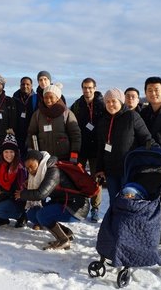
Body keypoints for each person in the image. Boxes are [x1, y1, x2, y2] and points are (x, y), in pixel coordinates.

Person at [15, 150, 90, 250]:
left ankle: (63, 240)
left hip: (76, 206)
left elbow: (41, 194)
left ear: (39, 162)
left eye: (31, 167)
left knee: (42, 215)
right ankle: (67, 233)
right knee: (33, 214)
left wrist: (22, 194)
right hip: (63, 202)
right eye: (27, 168)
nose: (30, 171)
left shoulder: (53, 171)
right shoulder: (42, 171)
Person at [95, 88, 155, 206]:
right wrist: (99, 169)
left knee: (128, 202)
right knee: (114, 201)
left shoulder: (132, 116)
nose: (110, 104)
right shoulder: (103, 121)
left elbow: (146, 139)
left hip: (128, 170)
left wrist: (157, 153)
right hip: (110, 171)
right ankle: (114, 224)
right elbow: (101, 147)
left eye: (114, 101)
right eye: (107, 102)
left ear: (121, 101)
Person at [70, 77, 105, 223]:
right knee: (78, 177)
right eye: (85, 87)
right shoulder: (77, 105)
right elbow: (70, 122)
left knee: (97, 179)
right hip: (81, 147)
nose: (87, 90)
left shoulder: (102, 104)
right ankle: (79, 204)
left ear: (95, 88)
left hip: (97, 148)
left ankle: (95, 207)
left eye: (90, 87)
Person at [139, 76, 161, 244]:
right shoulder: (144, 113)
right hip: (148, 163)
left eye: (156, 90)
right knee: (151, 198)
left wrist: (155, 140)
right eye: (149, 90)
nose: (153, 93)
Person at [26, 83, 81, 162]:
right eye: (46, 97)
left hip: (63, 158)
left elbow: (76, 135)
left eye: (51, 97)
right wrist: (32, 151)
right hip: (43, 158)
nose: (48, 100)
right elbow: (31, 134)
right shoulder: (37, 114)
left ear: (58, 98)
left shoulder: (67, 113)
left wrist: (74, 155)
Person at [0, 133, 26, 227]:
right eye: (6, 152)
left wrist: (5, 194)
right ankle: (3, 219)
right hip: (4, 197)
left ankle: (21, 216)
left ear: (16, 153)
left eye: (11, 152)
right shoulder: (2, 165)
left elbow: (20, 191)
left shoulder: (20, 168)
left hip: (17, 201)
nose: (8, 155)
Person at [12, 76, 38, 158]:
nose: (25, 86)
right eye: (23, 84)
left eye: (27, 84)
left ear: (31, 85)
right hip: (17, 134)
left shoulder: (36, 98)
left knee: (31, 158)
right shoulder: (14, 98)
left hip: (32, 134)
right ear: (20, 85)